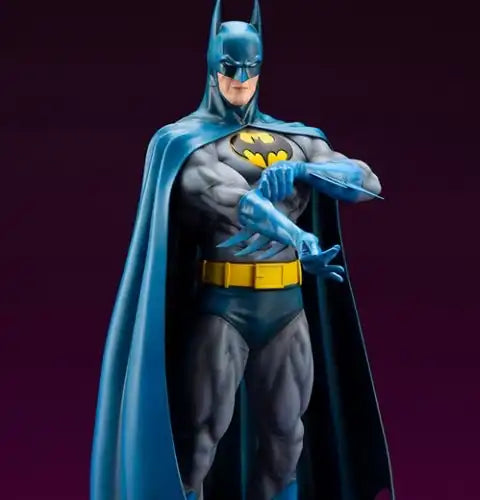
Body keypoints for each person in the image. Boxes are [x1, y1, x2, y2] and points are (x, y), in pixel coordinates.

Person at [90, 1, 394, 499]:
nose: (240, 81)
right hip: (225, 307)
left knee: (287, 441)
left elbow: (365, 182)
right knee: (200, 441)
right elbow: (238, 203)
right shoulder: (185, 144)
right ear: (213, 68)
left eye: (250, 69)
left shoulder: (297, 139)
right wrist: (298, 237)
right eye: (230, 69)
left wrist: (303, 170)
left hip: (286, 307)